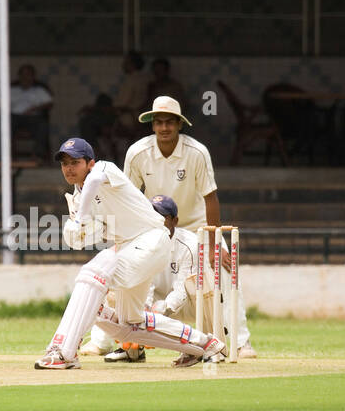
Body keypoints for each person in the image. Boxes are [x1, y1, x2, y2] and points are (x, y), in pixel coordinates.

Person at [84, 94, 258, 357]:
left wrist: (212, 244)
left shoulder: (197, 152)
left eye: (170, 122)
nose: (164, 128)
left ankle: (241, 342)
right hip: (153, 227)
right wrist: (123, 239)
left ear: (179, 124)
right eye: (159, 122)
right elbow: (125, 197)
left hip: (197, 225)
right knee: (121, 273)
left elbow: (211, 197)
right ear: (152, 125)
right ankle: (104, 341)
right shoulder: (138, 152)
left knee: (225, 269)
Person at [35, 138, 224, 370]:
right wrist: (77, 230)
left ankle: (63, 350)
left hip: (152, 238)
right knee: (128, 322)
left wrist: (81, 216)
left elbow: (94, 181)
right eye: (64, 164)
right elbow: (81, 239)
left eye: (75, 162)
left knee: (94, 271)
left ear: (90, 163)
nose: (69, 168)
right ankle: (202, 345)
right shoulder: (76, 198)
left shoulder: (104, 169)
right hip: (131, 249)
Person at [104, 194, 209, 366]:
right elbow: (143, 280)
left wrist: (162, 310)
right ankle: (131, 349)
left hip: (189, 303)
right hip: (154, 302)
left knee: (196, 295)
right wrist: (143, 312)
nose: (156, 220)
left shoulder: (191, 244)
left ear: (175, 221)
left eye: (162, 216)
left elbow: (184, 287)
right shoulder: (140, 239)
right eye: (151, 214)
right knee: (116, 293)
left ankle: (199, 346)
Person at [80, 51, 151, 159]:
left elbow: (120, 106)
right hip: (134, 113)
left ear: (132, 64)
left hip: (125, 117)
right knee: (102, 98)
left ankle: (97, 153)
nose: (123, 65)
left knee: (86, 121)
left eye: (125, 62)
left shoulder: (132, 80)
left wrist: (94, 109)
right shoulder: (143, 78)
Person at [9, 64, 53, 159]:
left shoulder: (39, 90)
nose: (25, 77)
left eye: (28, 74)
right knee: (4, 126)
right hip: (14, 117)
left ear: (33, 77)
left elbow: (49, 103)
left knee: (43, 125)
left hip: (33, 118)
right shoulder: (12, 90)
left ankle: (37, 156)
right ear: (19, 76)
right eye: (23, 75)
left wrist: (35, 108)